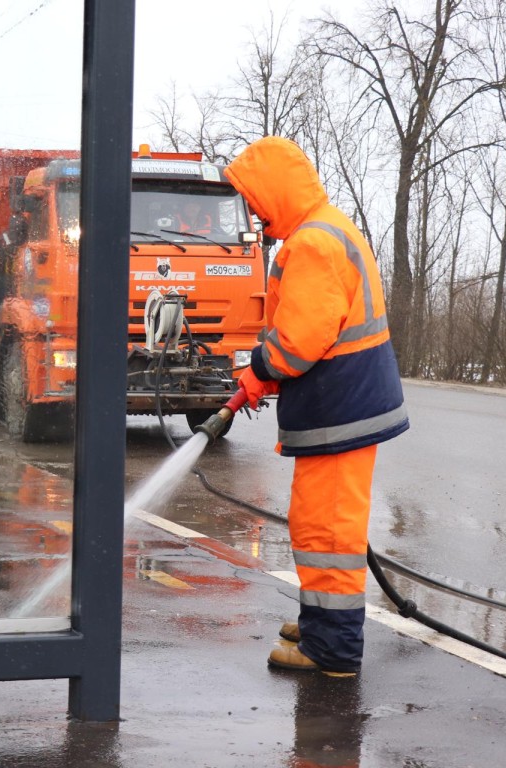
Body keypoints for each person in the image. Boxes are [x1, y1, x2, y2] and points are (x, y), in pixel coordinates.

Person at [224, 136, 408, 677]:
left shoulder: (313, 243)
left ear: (274, 191)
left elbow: (301, 339)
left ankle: (332, 649)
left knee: (328, 534)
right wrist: (264, 374)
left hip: (341, 410)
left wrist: (259, 369)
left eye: (254, 200)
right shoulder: (322, 230)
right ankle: (320, 623)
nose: (254, 212)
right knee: (318, 525)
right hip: (342, 406)